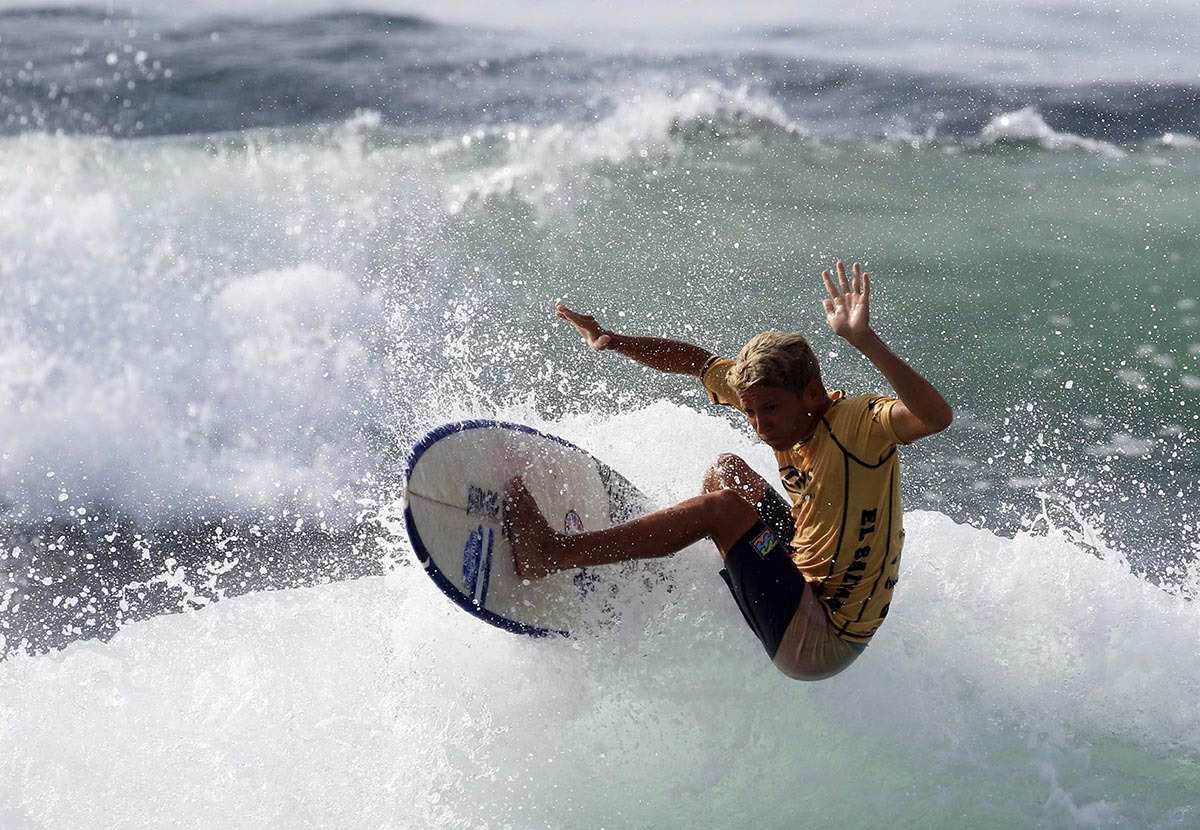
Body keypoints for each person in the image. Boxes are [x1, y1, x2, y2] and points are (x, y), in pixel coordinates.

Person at [505, 261, 952, 680]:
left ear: (813, 394)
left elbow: (935, 417)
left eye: (771, 410)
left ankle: (552, 554)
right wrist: (611, 340)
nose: (761, 426)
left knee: (722, 510)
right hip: (799, 572)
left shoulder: (861, 425)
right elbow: (694, 363)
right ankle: (668, 562)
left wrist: (864, 340)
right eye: (751, 412)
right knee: (727, 473)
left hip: (819, 638)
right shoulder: (771, 403)